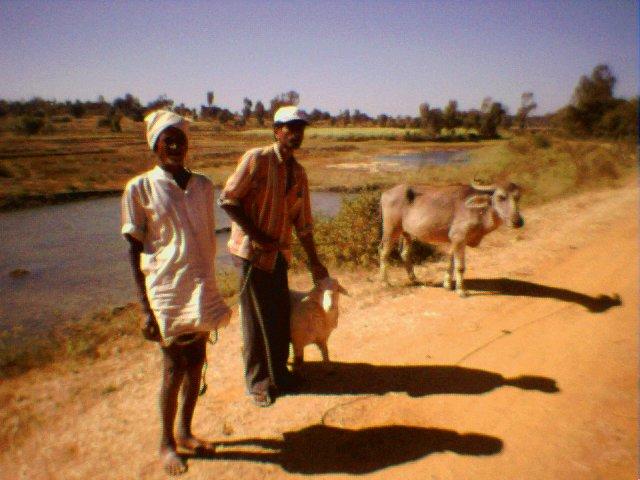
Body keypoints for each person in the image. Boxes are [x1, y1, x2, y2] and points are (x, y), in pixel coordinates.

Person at [121, 110, 231, 475]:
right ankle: (166, 443)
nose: (174, 144)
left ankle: (185, 431)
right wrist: (144, 308)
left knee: (198, 358)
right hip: (165, 291)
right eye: (166, 138)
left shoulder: (202, 186)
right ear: (154, 145)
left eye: (179, 138)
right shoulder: (139, 189)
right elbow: (134, 250)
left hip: (201, 285)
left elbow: (204, 238)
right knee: (173, 366)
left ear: (187, 144)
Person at [219, 105, 329, 407]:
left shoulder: (298, 173)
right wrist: (257, 236)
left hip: (279, 254)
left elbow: (303, 224)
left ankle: (279, 373)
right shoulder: (258, 159)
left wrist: (315, 262)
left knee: (279, 316)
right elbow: (228, 200)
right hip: (249, 254)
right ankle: (257, 382)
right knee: (255, 320)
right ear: (276, 131)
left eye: (300, 129)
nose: (295, 134)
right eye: (289, 128)